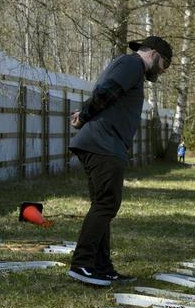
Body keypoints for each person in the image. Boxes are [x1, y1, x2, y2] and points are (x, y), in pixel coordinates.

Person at [67, 35, 172, 287]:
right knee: (106, 204)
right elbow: (106, 92)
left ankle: (101, 267)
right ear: (154, 54)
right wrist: (84, 116)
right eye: (165, 64)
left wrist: (84, 113)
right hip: (103, 145)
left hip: (103, 144)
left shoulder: (129, 67)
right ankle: (82, 264)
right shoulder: (132, 64)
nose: (164, 70)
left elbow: (106, 94)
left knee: (103, 205)